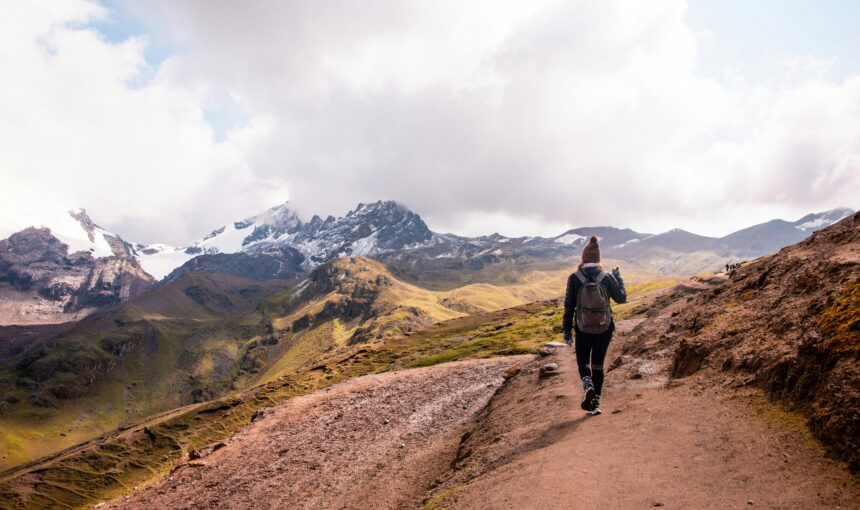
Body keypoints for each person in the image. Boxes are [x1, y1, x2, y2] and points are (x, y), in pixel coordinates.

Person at [562, 236, 627, 415]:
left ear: (583, 258)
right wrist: (618, 278)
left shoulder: (574, 278)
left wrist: (566, 331)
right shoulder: (606, 277)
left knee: (583, 363)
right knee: (598, 365)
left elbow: (569, 307)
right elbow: (622, 298)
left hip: (582, 329)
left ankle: (587, 384)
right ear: (598, 258)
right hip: (604, 328)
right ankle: (596, 403)